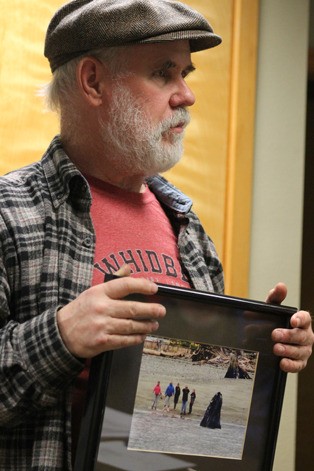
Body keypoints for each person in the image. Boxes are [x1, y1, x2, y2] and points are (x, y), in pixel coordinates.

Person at [0, 0, 313, 469]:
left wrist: (257, 351)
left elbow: (193, 415)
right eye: (164, 74)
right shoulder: (8, 211)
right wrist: (63, 334)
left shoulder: (187, 226)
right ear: (93, 82)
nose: (186, 94)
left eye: (186, 74)